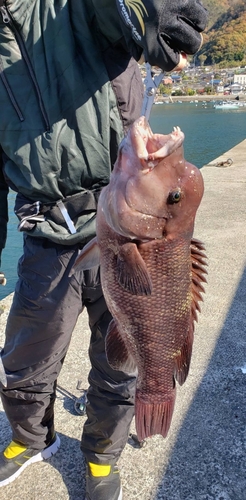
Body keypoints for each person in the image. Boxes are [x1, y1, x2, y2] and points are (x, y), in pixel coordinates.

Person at [0, 1, 207, 498]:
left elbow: (120, 10)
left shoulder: (66, 7)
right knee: (25, 357)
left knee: (120, 359)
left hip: (118, 212)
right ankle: (30, 438)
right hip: (46, 234)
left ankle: (101, 456)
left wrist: (150, 10)